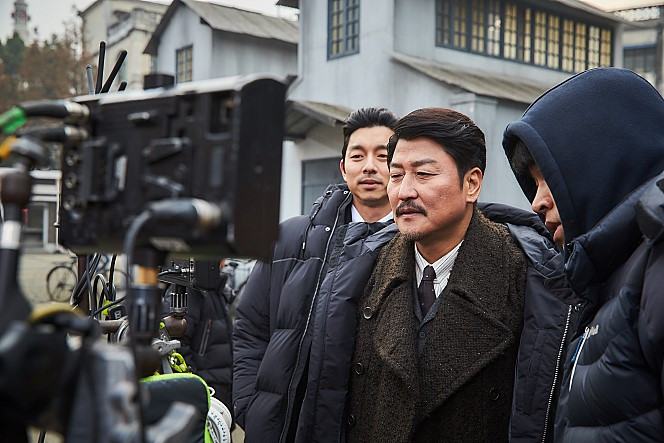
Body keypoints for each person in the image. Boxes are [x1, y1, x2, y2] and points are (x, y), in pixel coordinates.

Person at [503, 67, 664, 441]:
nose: (536, 202)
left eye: (547, 177)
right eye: (533, 183)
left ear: (602, 162)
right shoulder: (610, 275)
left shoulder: (655, 264)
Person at [347, 108, 527, 442]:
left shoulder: (522, 277)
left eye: (424, 174)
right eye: (396, 175)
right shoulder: (365, 269)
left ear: (471, 183)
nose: (404, 192)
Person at [233, 107, 400, 442]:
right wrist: (250, 406)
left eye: (382, 156)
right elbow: (250, 328)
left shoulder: (415, 243)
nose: (369, 166)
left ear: (399, 169)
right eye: (358, 155)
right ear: (343, 167)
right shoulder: (290, 238)